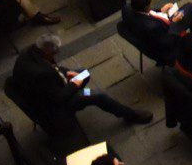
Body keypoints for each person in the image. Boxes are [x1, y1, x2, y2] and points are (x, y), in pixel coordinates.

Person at [11, 33, 153, 135]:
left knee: (84, 73)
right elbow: (59, 97)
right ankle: (129, 115)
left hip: (53, 87)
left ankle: (80, 93)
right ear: (47, 53)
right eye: (54, 54)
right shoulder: (42, 74)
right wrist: (75, 84)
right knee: (98, 95)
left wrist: (67, 72)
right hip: (55, 106)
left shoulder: (30, 53)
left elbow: (54, 69)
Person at [122, 0, 192, 63]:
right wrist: (174, 22)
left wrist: (160, 10)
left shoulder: (127, 9)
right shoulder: (152, 27)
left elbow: (148, 12)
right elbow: (168, 41)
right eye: (150, 3)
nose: (151, 4)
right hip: (167, 35)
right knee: (190, 7)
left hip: (159, 26)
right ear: (146, 6)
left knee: (190, 12)